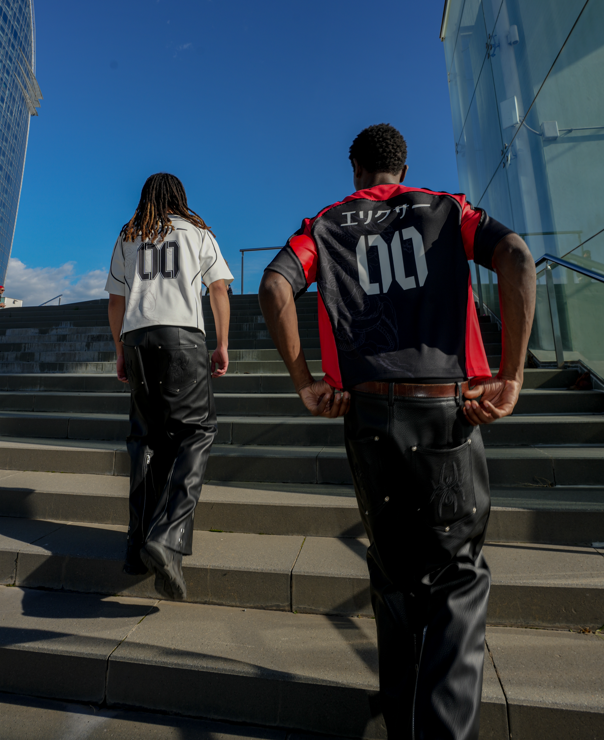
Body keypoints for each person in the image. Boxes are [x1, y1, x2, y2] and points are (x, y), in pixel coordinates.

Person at [259, 124, 535, 740]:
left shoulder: (326, 224)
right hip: (446, 410)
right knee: (456, 578)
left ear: (356, 168)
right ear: (402, 165)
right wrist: (510, 376)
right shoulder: (446, 209)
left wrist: (305, 380)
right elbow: (515, 256)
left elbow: (275, 285)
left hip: (368, 414)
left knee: (391, 570)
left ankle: (403, 719)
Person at [106, 172, 233, 600]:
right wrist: (222, 344)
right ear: (181, 197)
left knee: (145, 441)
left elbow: (115, 300)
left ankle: (135, 546)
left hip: (138, 339)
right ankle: (170, 536)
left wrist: (121, 351)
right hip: (182, 338)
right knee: (197, 433)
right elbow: (218, 288)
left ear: (146, 197)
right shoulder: (197, 231)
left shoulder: (130, 232)